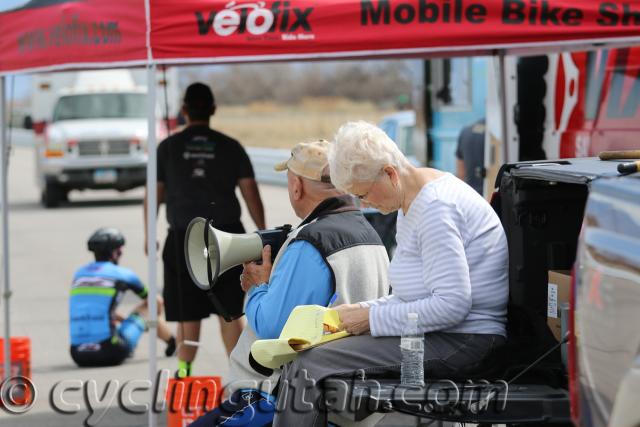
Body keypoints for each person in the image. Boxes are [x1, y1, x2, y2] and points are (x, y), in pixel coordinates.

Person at [273, 121, 509, 426]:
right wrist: (361, 310)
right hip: (448, 334)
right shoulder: (412, 201)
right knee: (311, 354)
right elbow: (414, 298)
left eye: (366, 194)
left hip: (466, 340)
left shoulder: (435, 209)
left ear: (389, 173)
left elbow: (452, 305)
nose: (365, 204)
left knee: (310, 365)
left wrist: (368, 319)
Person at [188, 140, 390, 426]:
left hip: (281, 400)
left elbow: (273, 327)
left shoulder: (311, 242)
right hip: (348, 401)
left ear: (296, 186)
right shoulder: (370, 234)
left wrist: (258, 286)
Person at [144, 82, 265, 378]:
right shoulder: (230, 146)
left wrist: (149, 235)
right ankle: (240, 380)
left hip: (183, 238)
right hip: (228, 238)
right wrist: (263, 233)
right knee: (231, 313)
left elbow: (153, 195)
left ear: (184, 110)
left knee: (188, 315)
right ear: (212, 109)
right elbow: (251, 193)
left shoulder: (168, 148)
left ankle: (185, 377)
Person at [69, 228, 176, 367]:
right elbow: (156, 302)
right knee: (148, 311)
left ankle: (147, 329)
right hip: (110, 350)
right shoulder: (123, 274)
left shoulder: (79, 274)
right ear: (116, 252)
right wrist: (146, 323)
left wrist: (127, 321)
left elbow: (100, 310)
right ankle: (173, 342)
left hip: (77, 354)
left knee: (126, 318)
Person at [455, 118, 486, 195]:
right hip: (489, 196)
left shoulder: (466, 131)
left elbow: (461, 173)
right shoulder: (496, 133)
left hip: (470, 195)